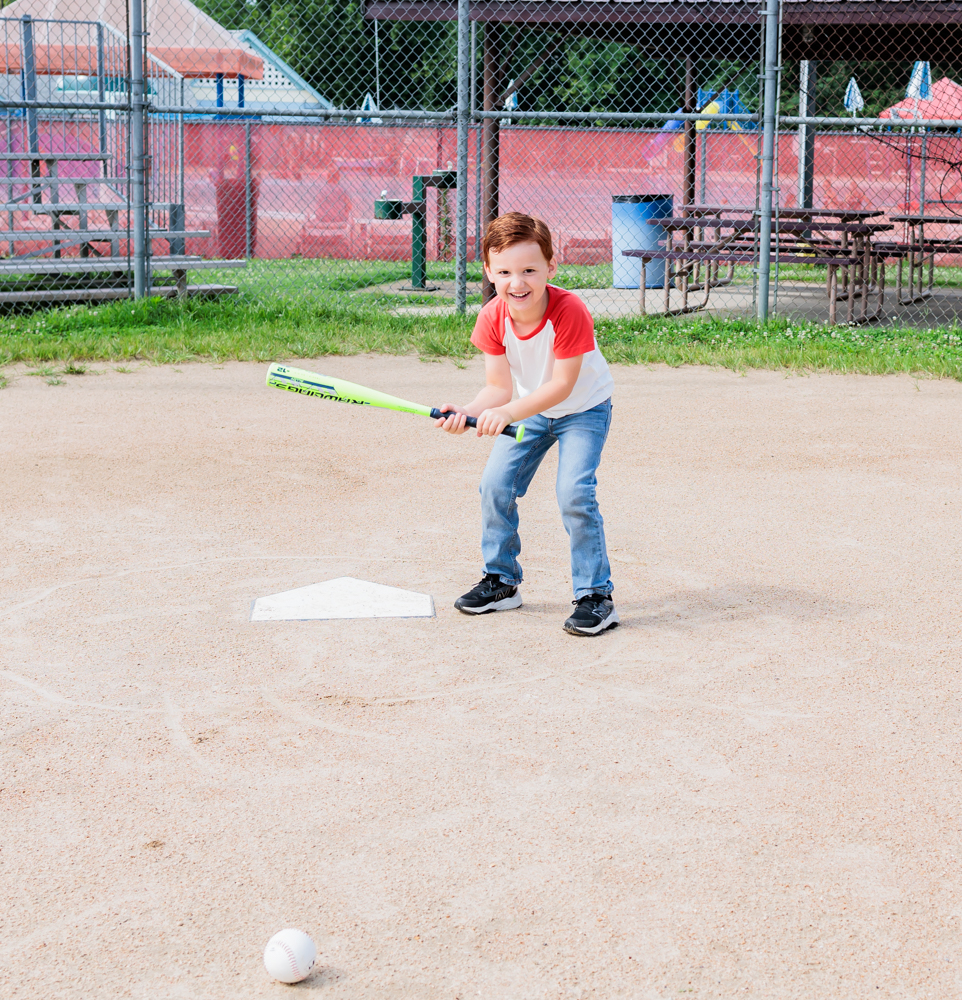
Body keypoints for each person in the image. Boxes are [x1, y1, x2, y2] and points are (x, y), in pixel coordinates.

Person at [435, 212, 617, 636]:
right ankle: (501, 581)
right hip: (530, 411)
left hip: (583, 410)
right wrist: (468, 411)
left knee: (574, 492)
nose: (517, 283)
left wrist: (510, 412)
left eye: (529, 270)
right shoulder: (492, 317)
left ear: (551, 268)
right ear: (489, 272)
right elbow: (497, 387)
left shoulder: (568, 310)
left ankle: (596, 596)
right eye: (505, 272)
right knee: (495, 485)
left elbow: (561, 385)